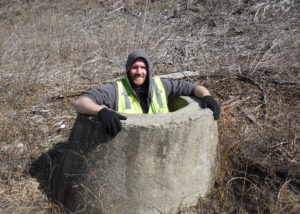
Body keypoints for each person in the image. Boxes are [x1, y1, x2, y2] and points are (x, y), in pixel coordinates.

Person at [74, 49, 220, 136]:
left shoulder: (162, 85)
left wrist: (207, 96)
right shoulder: (116, 89)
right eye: (134, 67)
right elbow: (80, 102)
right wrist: (101, 111)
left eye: (143, 67)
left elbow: (193, 87)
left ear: (148, 70)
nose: (139, 72)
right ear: (128, 70)